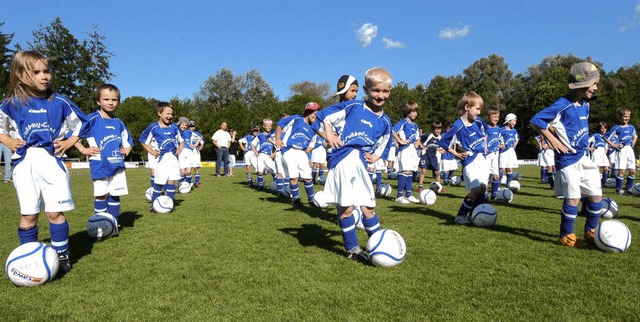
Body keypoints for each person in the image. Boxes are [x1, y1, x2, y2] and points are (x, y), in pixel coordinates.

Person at [0, 51, 86, 273]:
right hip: (25, 163)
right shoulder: (11, 104)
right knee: (29, 214)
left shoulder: (60, 102)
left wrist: (69, 143)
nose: (44, 76)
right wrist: (8, 140)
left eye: (46, 71)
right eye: (36, 72)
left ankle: (62, 255)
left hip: (52, 162)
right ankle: (27, 258)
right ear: (20, 76)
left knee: (55, 213)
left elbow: (80, 126)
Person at [314, 67, 393, 262]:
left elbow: (385, 141)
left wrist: (375, 157)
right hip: (344, 158)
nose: (380, 95)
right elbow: (323, 116)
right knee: (347, 208)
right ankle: (353, 249)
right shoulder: (353, 107)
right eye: (376, 90)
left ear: (390, 91)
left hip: (360, 162)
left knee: (368, 207)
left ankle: (379, 243)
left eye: (385, 91)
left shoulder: (385, 121)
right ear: (366, 90)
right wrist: (329, 134)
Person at [530, 61, 602, 247]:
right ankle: (566, 236)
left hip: (583, 156)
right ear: (582, 84)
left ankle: (591, 231)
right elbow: (537, 120)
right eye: (593, 84)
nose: (595, 88)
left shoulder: (585, 104)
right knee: (573, 198)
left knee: (595, 195)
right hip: (568, 160)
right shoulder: (563, 104)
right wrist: (553, 141)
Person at [75, 84, 132, 229]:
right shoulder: (92, 119)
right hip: (99, 164)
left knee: (115, 195)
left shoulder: (119, 123)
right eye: (106, 99)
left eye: (114, 99)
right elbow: (73, 135)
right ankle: (100, 223)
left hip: (117, 165)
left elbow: (128, 141)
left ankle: (114, 223)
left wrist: (126, 150)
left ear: (118, 102)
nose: (110, 102)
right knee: (102, 194)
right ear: (98, 101)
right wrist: (83, 149)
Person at [438, 91, 488, 225]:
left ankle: (476, 215)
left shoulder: (479, 121)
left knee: (483, 188)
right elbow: (443, 143)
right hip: (470, 161)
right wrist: (457, 154)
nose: (479, 112)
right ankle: (460, 216)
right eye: (477, 109)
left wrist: (485, 146)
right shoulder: (457, 126)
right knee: (476, 189)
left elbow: (485, 133)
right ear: (467, 107)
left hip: (482, 158)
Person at [140, 102, 184, 210]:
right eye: (167, 113)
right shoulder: (153, 127)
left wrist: (179, 149)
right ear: (159, 113)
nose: (170, 116)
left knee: (171, 180)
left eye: (171, 114)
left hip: (173, 159)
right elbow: (142, 140)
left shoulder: (174, 127)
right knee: (159, 182)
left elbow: (181, 141)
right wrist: (151, 151)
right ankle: (154, 204)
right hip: (161, 159)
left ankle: (170, 203)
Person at [275, 102, 320, 207]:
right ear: (307, 112)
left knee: (307, 177)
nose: (315, 115)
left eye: (317, 113)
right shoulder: (296, 119)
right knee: (294, 177)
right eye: (313, 112)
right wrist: (277, 138)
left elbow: (312, 144)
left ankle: (311, 200)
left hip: (302, 152)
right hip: (289, 150)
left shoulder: (314, 128)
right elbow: (280, 124)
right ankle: (296, 199)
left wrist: (305, 152)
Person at [392, 101, 421, 203]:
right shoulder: (403, 122)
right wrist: (400, 141)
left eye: (416, 111)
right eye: (412, 111)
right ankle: (399, 195)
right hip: (404, 150)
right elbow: (393, 131)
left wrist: (418, 142)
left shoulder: (415, 125)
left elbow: (418, 138)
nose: (415, 113)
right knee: (404, 171)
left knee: (410, 172)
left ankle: (408, 194)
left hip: (412, 150)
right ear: (407, 111)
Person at [604, 108, 637, 195]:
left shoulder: (631, 127)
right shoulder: (616, 128)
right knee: (621, 171)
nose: (627, 118)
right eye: (625, 116)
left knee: (633, 171)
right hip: (621, 151)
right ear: (619, 117)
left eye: (628, 116)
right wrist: (614, 145)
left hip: (630, 150)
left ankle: (629, 188)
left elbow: (635, 136)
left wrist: (633, 144)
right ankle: (618, 189)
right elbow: (605, 137)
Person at [418, 121, 445, 194]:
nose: (437, 130)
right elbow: (418, 138)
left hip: (434, 156)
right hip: (426, 155)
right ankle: (420, 187)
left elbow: (440, 147)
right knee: (423, 170)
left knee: (437, 172)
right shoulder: (428, 135)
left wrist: (442, 150)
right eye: (436, 129)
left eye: (439, 129)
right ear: (433, 129)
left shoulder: (441, 138)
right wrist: (421, 146)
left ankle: (439, 187)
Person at [483, 107, 502, 199]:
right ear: (488, 117)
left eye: (497, 117)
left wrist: (500, 145)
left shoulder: (498, 129)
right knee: (486, 176)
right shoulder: (486, 128)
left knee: (496, 175)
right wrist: (484, 148)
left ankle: (494, 194)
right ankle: (485, 195)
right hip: (487, 155)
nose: (496, 119)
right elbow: (484, 139)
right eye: (494, 116)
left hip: (495, 154)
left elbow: (498, 139)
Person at [254, 118, 276, 190]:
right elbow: (252, 143)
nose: (269, 127)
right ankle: (260, 187)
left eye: (270, 125)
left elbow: (277, 145)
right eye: (267, 125)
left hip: (268, 156)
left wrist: (274, 154)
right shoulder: (260, 135)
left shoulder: (273, 135)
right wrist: (255, 152)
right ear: (263, 126)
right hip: (261, 155)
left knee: (273, 170)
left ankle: (276, 184)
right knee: (260, 171)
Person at [499, 113, 519, 188]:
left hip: (511, 151)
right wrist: (499, 145)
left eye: (515, 121)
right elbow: (495, 139)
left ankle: (509, 186)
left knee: (510, 169)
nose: (515, 123)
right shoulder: (502, 130)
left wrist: (514, 145)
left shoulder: (514, 131)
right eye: (513, 121)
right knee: (502, 169)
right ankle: (497, 186)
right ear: (508, 121)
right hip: (503, 152)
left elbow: (517, 139)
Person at [187, 121, 204, 187]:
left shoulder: (198, 134)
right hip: (188, 152)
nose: (192, 128)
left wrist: (200, 148)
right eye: (190, 127)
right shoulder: (186, 133)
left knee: (196, 168)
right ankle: (188, 182)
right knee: (188, 168)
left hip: (196, 153)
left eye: (193, 126)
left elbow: (202, 142)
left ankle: (197, 181)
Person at [176, 117, 192, 187]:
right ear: (179, 124)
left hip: (188, 152)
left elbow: (197, 138)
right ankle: (181, 185)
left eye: (185, 125)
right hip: (181, 152)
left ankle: (188, 184)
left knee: (188, 171)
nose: (184, 126)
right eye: (182, 124)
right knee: (182, 172)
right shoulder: (176, 131)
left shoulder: (189, 132)